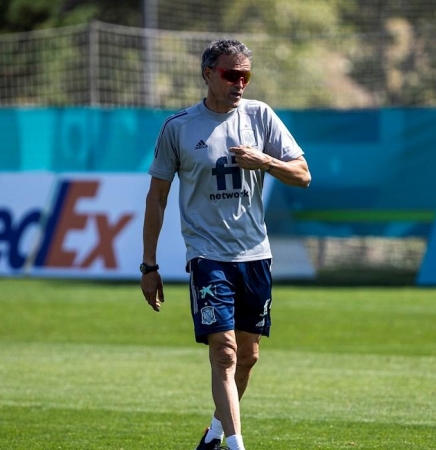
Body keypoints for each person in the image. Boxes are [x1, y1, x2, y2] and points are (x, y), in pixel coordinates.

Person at [140, 38, 311, 450]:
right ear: (208, 73)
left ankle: (214, 436)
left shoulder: (260, 116)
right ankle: (236, 445)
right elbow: (157, 197)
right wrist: (149, 266)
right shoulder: (178, 127)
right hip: (206, 256)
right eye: (231, 74)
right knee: (225, 353)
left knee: (248, 357)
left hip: (255, 255)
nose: (239, 83)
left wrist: (264, 161)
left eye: (245, 76)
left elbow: (302, 174)